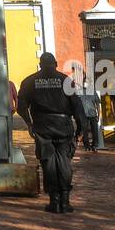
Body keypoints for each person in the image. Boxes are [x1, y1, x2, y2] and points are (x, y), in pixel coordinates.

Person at [17, 52, 84, 213]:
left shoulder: (29, 81)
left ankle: (54, 200)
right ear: (55, 64)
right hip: (63, 126)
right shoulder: (65, 80)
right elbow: (77, 106)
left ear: (40, 64)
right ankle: (65, 201)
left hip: (42, 126)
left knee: (48, 163)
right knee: (64, 163)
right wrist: (81, 129)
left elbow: (21, 106)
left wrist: (29, 123)